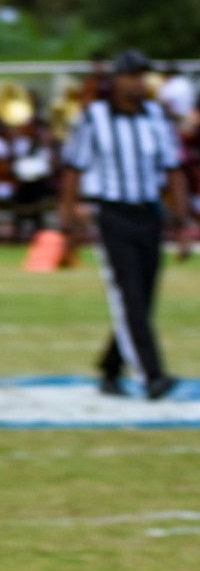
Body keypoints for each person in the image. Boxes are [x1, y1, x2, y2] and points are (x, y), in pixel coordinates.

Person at [59, 48, 192, 400]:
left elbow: (174, 170)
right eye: (131, 75)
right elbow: (73, 169)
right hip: (112, 214)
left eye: (142, 75)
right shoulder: (93, 117)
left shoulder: (157, 118)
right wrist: (68, 221)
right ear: (116, 80)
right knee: (130, 295)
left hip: (148, 213)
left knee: (144, 299)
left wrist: (182, 222)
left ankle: (110, 367)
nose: (138, 82)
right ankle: (153, 375)